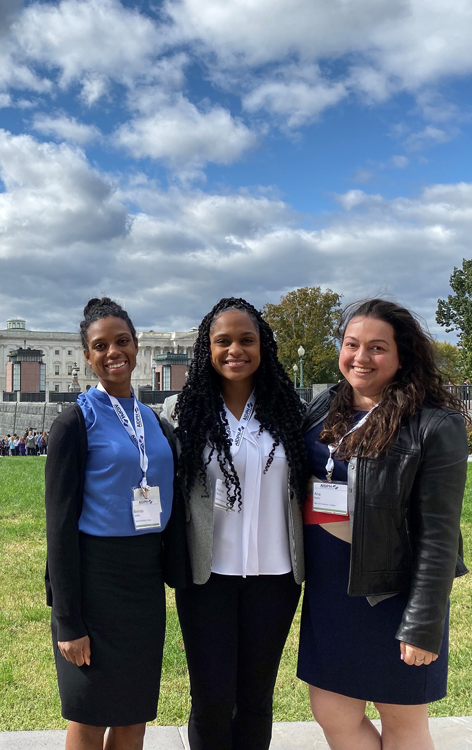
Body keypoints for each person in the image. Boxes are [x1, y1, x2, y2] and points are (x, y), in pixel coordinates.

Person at [297, 299, 468, 750]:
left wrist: (423, 622)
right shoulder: (322, 408)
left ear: (401, 356)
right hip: (330, 590)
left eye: (377, 347)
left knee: (403, 721)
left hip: (393, 594)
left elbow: (440, 533)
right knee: (332, 711)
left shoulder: (434, 423)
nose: (360, 357)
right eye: (352, 344)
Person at [162, 298, 308, 750]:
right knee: (210, 698)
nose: (235, 350)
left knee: (256, 699)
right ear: (206, 348)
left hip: (277, 577)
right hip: (208, 578)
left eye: (247, 340)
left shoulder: (291, 413)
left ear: (263, 346)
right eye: (222, 341)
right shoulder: (179, 413)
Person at [45, 297, 187, 750]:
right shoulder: (74, 422)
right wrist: (68, 619)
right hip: (94, 579)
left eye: (121, 341)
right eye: (100, 345)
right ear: (87, 356)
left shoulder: (154, 422)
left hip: (143, 583)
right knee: (89, 717)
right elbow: (60, 524)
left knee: (133, 717)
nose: (113, 353)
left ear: (137, 346)